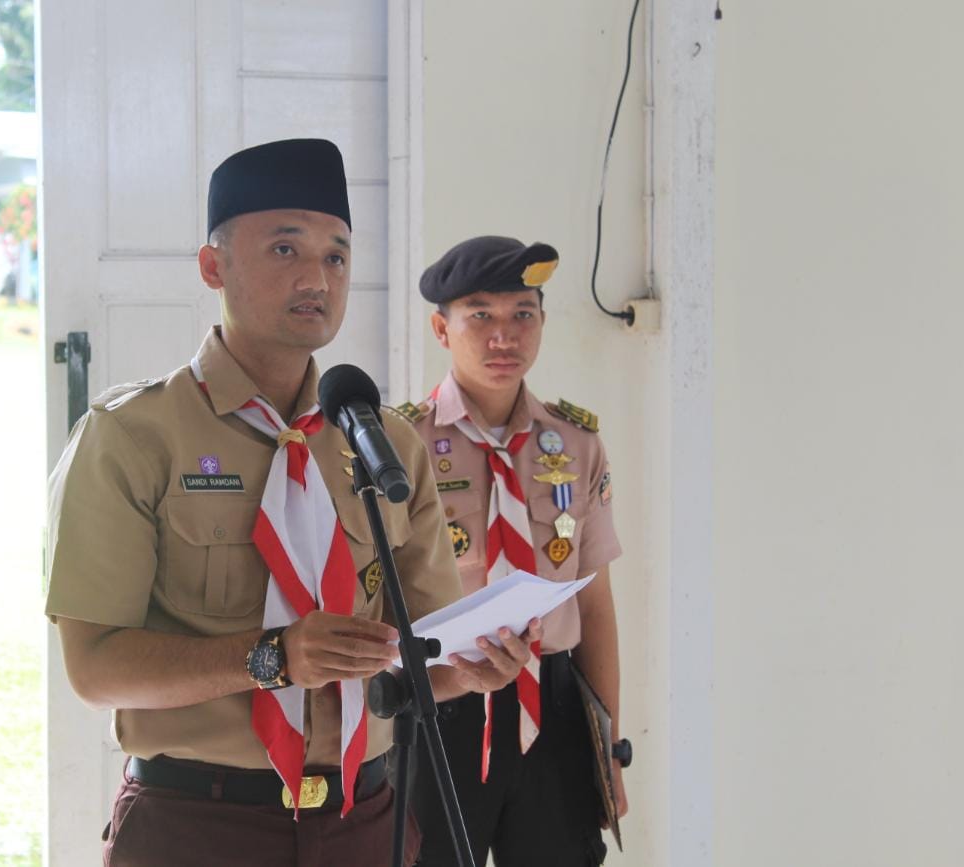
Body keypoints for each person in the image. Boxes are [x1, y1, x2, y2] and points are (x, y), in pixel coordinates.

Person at [44, 140, 542, 867]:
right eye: (285, 248)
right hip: (198, 827)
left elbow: (418, 652)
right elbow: (95, 668)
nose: (317, 276)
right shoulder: (130, 437)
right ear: (214, 266)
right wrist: (273, 657)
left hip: (364, 822)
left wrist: (467, 667)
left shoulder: (387, 446)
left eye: (337, 256)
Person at [402, 236, 628, 867]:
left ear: (542, 324)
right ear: (441, 328)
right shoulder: (403, 444)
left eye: (522, 315)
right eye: (481, 316)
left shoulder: (575, 444)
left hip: (552, 713)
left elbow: (598, 608)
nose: (504, 336)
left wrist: (606, 746)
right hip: (442, 708)